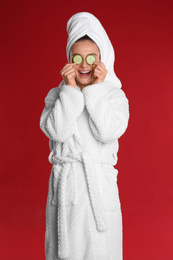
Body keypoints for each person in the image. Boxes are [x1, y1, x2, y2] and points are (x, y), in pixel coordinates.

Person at [40, 12, 129, 260]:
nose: (84, 64)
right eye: (76, 57)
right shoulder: (56, 96)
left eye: (92, 58)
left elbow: (108, 131)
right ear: (68, 60)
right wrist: (69, 91)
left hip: (99, 192)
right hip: (67, 191)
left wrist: (97, 90)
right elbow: (57, 131)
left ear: (102, 60)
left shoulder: (113, 96)